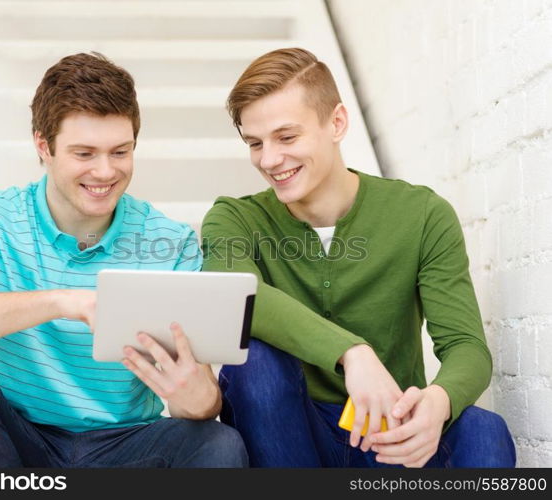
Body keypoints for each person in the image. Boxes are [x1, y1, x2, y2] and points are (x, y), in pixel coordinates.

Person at [0, 52, 247, 468]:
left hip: (126, 445)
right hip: (16, 441)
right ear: (43, 145)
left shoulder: (170, 242)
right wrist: (64, 302)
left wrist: (196, 398)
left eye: (120, 152)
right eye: (84, 153)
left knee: (219, 444)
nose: (105, 172)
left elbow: (203, 400)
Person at [200, 47, 516, 468]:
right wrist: (353, 353)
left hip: (389, 434)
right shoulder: (234, 218)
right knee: (254, 361)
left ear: (337, 122)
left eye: (287, 137)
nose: (270, 159)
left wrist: (438, 403)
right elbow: (239, 296)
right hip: (289, 436)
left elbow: (466, 347)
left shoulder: (422, 214)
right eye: (255, 143)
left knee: (483, 429)